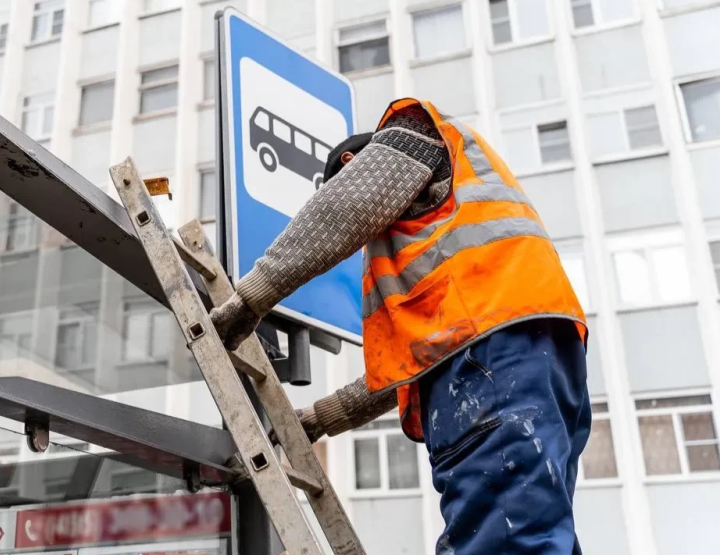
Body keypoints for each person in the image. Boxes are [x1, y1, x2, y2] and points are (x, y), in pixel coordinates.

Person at [210, 98, 590, 554]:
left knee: (500, 537)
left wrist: (249, 299)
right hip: (533, 361)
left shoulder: (410, 134)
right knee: (530, 527)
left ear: (353, 163)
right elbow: (416, 365)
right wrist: (318, 419)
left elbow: (342, 208)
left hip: (495, 359)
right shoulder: (447, 251)